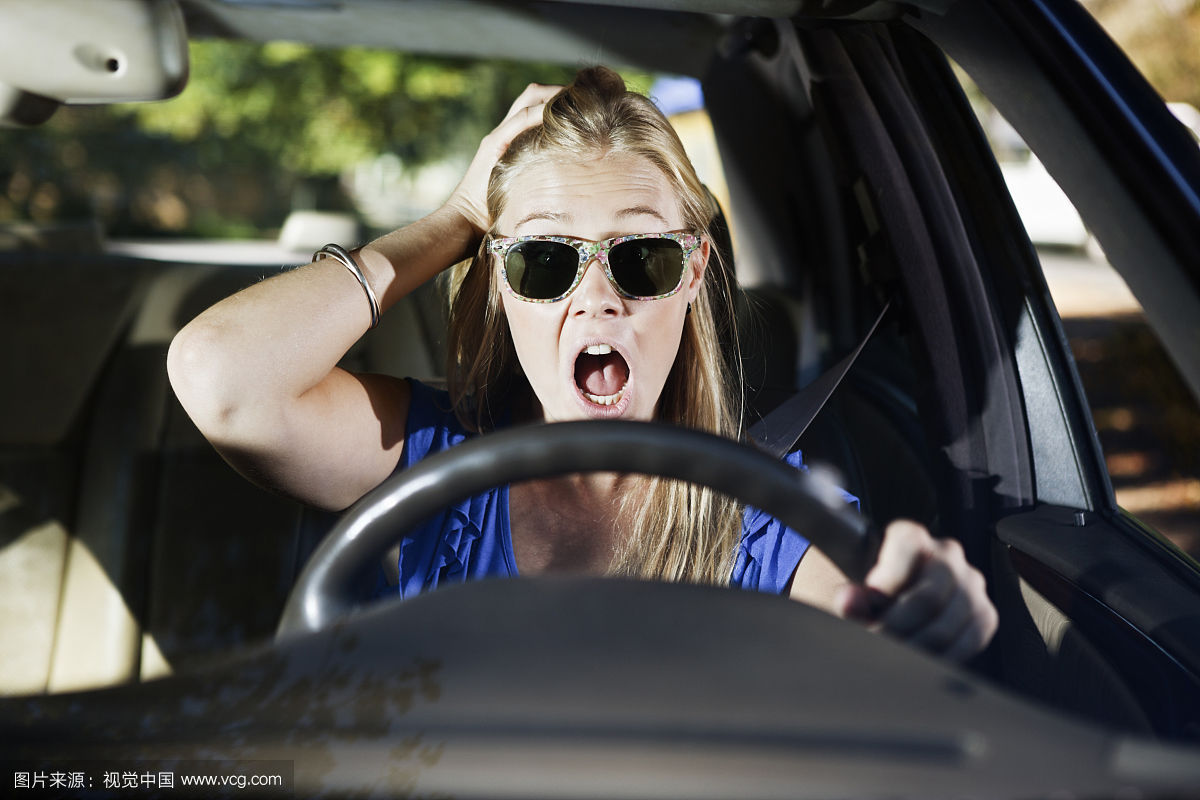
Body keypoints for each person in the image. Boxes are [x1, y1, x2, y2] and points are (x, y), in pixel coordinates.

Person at [168, 67, 998, 662]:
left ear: (695, 272)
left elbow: (866, 610)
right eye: (545, 263)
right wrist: (456, 217)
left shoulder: (764, 511)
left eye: (640, 259)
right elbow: (222, 379)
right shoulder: (433, 455)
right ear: (497, 280)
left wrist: (916, 606)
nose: (596, 301)